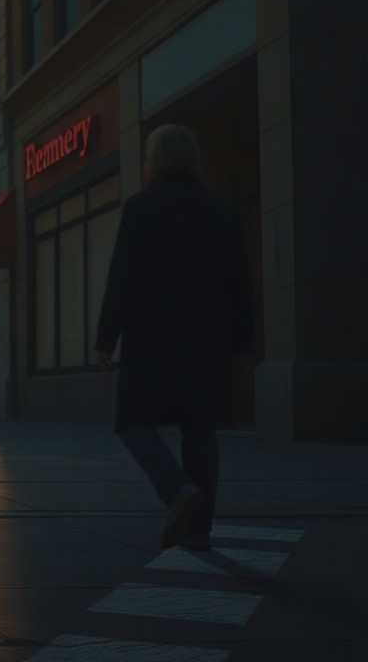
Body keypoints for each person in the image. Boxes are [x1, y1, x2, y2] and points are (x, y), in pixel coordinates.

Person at [95, 124, 253, 553]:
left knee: (131, 421)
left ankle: (176, 488)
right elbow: (240, 280)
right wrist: (243, 342)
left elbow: (122, 277)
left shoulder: (142, 208)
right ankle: (200, 530)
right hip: (209, 342)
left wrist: (105, 338)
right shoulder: (222, 211)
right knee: (200, 431)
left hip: (153, 340)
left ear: (156, 160)